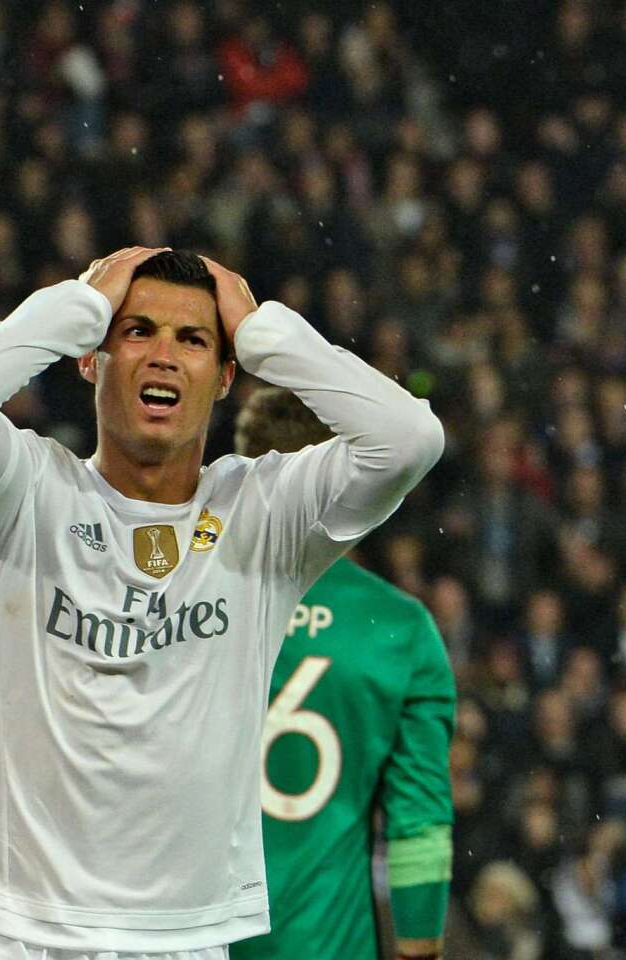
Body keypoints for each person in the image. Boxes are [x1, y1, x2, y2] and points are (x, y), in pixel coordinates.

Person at [0, 248, 444, 959]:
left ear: (224, 378)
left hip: (180, 938)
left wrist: (261, 334)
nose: (163, 355)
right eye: (138, 332)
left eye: (192, 340)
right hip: (11, 928)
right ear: (91, 360)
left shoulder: (264, 515)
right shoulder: (23, 489)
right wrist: (80, 306)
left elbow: (410, 440)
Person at [228, 387, 454, 960]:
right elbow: (419, 824)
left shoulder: (189, 602)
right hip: (325, 945)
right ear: (343, 479)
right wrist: (419, 947)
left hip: (193, 939)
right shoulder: (398, 630)